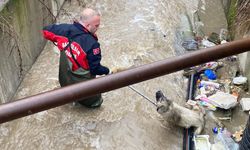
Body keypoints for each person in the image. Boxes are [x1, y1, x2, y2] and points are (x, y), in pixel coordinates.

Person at [42, 8, 110, 108]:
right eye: (96, 25)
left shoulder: (63, 30)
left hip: (65, 82)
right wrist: (107, 70)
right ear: (87, 25)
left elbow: (45, 30)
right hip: (84, 91)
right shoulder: (92, 44)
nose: (98, 28)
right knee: (97, 104)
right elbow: (95, 69)